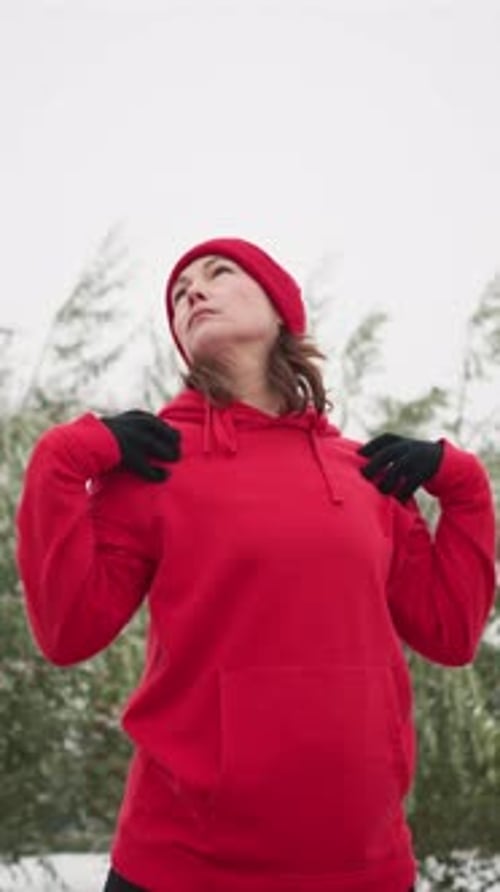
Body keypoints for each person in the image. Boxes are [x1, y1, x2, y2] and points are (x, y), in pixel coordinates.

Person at [16, 237, 496, 892]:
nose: (192, 293)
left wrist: (464, 487)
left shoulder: (364, 475)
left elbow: (449, 632)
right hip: (181, 867)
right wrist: (63, 457)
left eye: (218, 273)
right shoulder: (153, 462)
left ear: (280, 312)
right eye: (181, 293)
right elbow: (68, 632)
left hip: (365, 865)